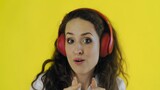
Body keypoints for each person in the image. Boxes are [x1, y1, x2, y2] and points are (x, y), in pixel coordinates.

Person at [31, 8, 128, 90]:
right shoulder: (43, 83)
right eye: (70, 40)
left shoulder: (117, 85)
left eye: (87, 40)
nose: (77, 50)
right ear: (62, 46)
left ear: (103, 45)